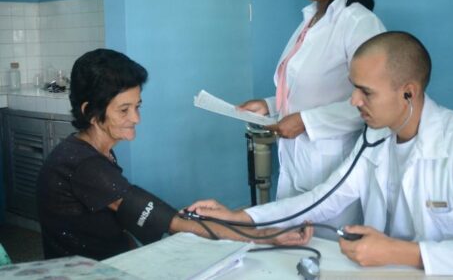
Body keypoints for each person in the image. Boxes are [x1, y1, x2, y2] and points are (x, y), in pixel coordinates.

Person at [190, 31, 453, 275]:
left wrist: (403, 252)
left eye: (366, 92)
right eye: (354, 88)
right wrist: (241, 218)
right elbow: (323, 199)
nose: (354, 101)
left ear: (409, 92)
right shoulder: (375, 138)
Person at [36, 48, 309, 260]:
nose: (136, 118)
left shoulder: (91, 150)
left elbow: (132, 222)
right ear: (90, 113)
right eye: (123, 110)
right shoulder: (83, 164)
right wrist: (264, 236)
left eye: (137, 106)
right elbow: (170, 221)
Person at [239, 0, 385, 236]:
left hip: (334, 167)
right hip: (297, 160)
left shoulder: (359, 22)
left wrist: (306, 121)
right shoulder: (311, 21)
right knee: (293, 247)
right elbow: (307, 90)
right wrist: (267, 105)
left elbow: (375, 102)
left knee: (329, 253)